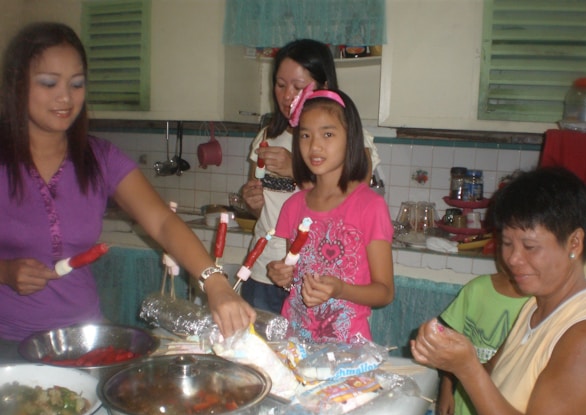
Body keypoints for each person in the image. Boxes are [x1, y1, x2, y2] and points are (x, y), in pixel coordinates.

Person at [0, 22, 254, 360]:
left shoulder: (100, 158)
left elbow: (162, 221)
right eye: (49, 83)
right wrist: (4, 272)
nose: (66, 97)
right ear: (18, 85)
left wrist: (216, 283)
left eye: (77, 84)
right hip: (8, 344)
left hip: (83, 340)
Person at [411, 166, 586, 415]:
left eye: (530, 246)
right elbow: (494, 374)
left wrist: (466, 367)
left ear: (574, 243)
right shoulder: (535, 304)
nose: (513, 258)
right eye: (506, 243)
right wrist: (450, 352)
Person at [241, 38, 380, 315]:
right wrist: (253, 202)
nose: (287, 95)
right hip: (263, 271)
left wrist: (296, 168)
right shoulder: (268, 137)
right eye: (280, 85)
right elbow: (265, 212)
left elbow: (355, 199)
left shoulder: (352, 138)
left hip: (317, 280)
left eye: (298, 86)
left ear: (324, 86)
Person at [266, 86, 393, 343]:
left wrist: (340, 289)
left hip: (347, 346)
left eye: (328, 134)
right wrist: (283, 277)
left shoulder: (370, 206)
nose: (315, 146)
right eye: (305, 135)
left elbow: (385, 292)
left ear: (350, 139)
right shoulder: (293, 206)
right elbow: (295, 279)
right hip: (295, 340)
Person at [437, 267, 528, 415]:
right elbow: (451, 343)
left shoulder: (537, 302)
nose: (515, 256)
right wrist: (446, 388)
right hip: (467, 414)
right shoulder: (477, 289)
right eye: (508, 243)